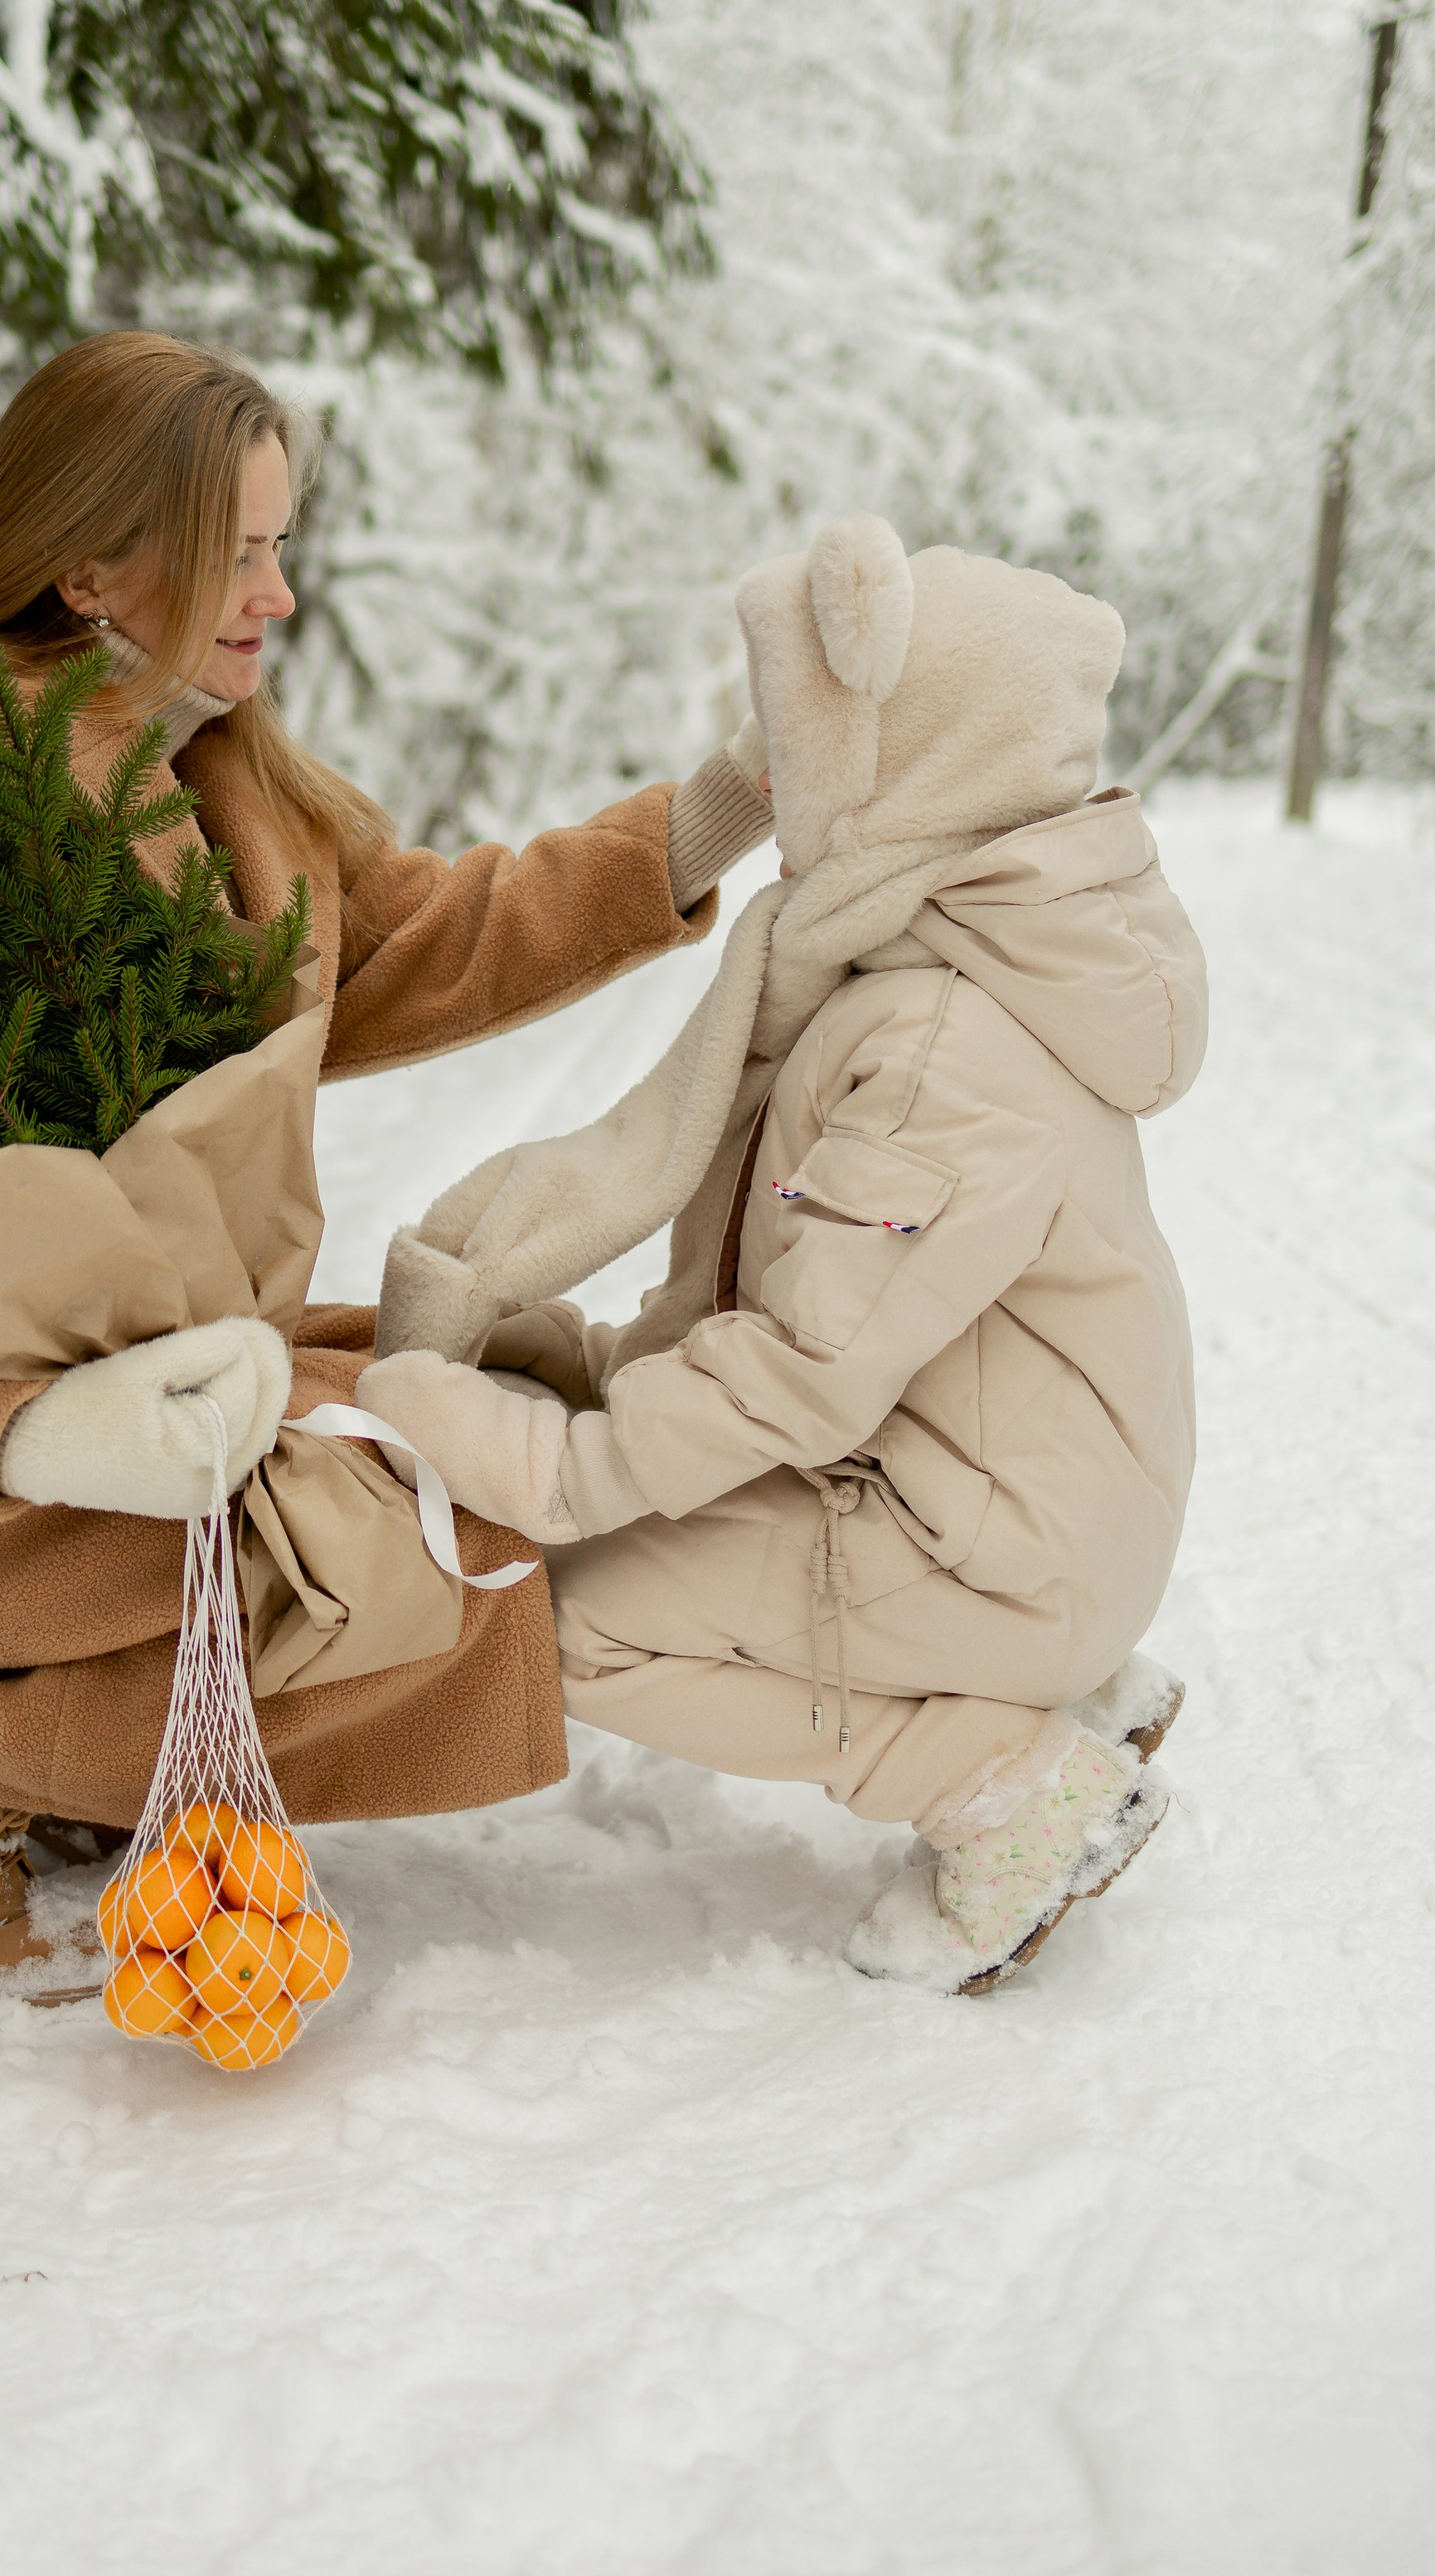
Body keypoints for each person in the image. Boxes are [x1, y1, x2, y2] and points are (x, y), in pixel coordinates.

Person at [0, 331, 774, 1979]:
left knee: (470, 1435)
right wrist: (28, 1437)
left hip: (138, 1401)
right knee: (367, 1557)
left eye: (280, 548)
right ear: (84, 562)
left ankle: (44, 1747)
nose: (277, 596)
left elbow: (405, 939)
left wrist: (714, 815)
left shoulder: (204, 771)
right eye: (235, 554)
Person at [360, 515, 1206, 1996]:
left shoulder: (945, 1041)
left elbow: (806, 1368)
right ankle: (1038, 1691)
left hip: (997, 1540)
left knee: (561, 1614)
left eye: (801, 735)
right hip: (1005, 1500)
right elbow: (826, 1301)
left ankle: (1000, 1782)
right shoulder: (941, 952)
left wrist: (550, 1467)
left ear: (905, 759)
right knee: (619, 1521)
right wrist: (592, 1366)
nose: (774, 763)